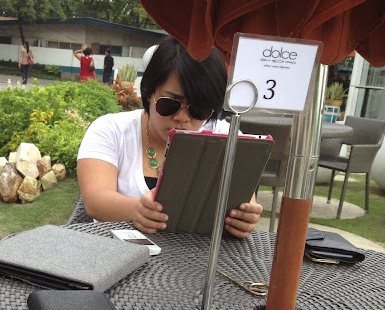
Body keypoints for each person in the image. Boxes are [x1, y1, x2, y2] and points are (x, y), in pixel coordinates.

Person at [77, 36, 263, 238]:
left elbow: (244, 201)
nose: (182, 118)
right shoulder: (111, 130)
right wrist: (135, 210)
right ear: (149, 93)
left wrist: (244, 217)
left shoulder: (225, 137)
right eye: (170, 103)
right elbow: (95, 200)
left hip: (195, 253)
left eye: (199, 109)